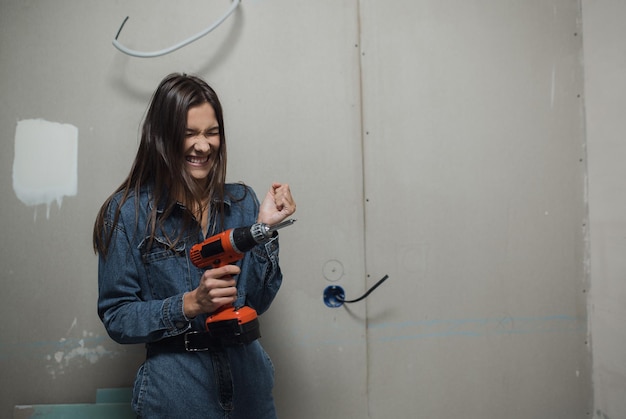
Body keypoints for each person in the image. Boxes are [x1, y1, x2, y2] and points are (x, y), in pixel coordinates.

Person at [93, 73, 296, 418]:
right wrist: (189, 304)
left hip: (249, 384)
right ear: (162, 137)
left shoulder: (242, 202)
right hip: (176, 390)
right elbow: (117, 316)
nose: (203, 146)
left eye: (211, 132)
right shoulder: (127, 213)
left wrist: (264, 229)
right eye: (189, 134)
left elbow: (258, 301)